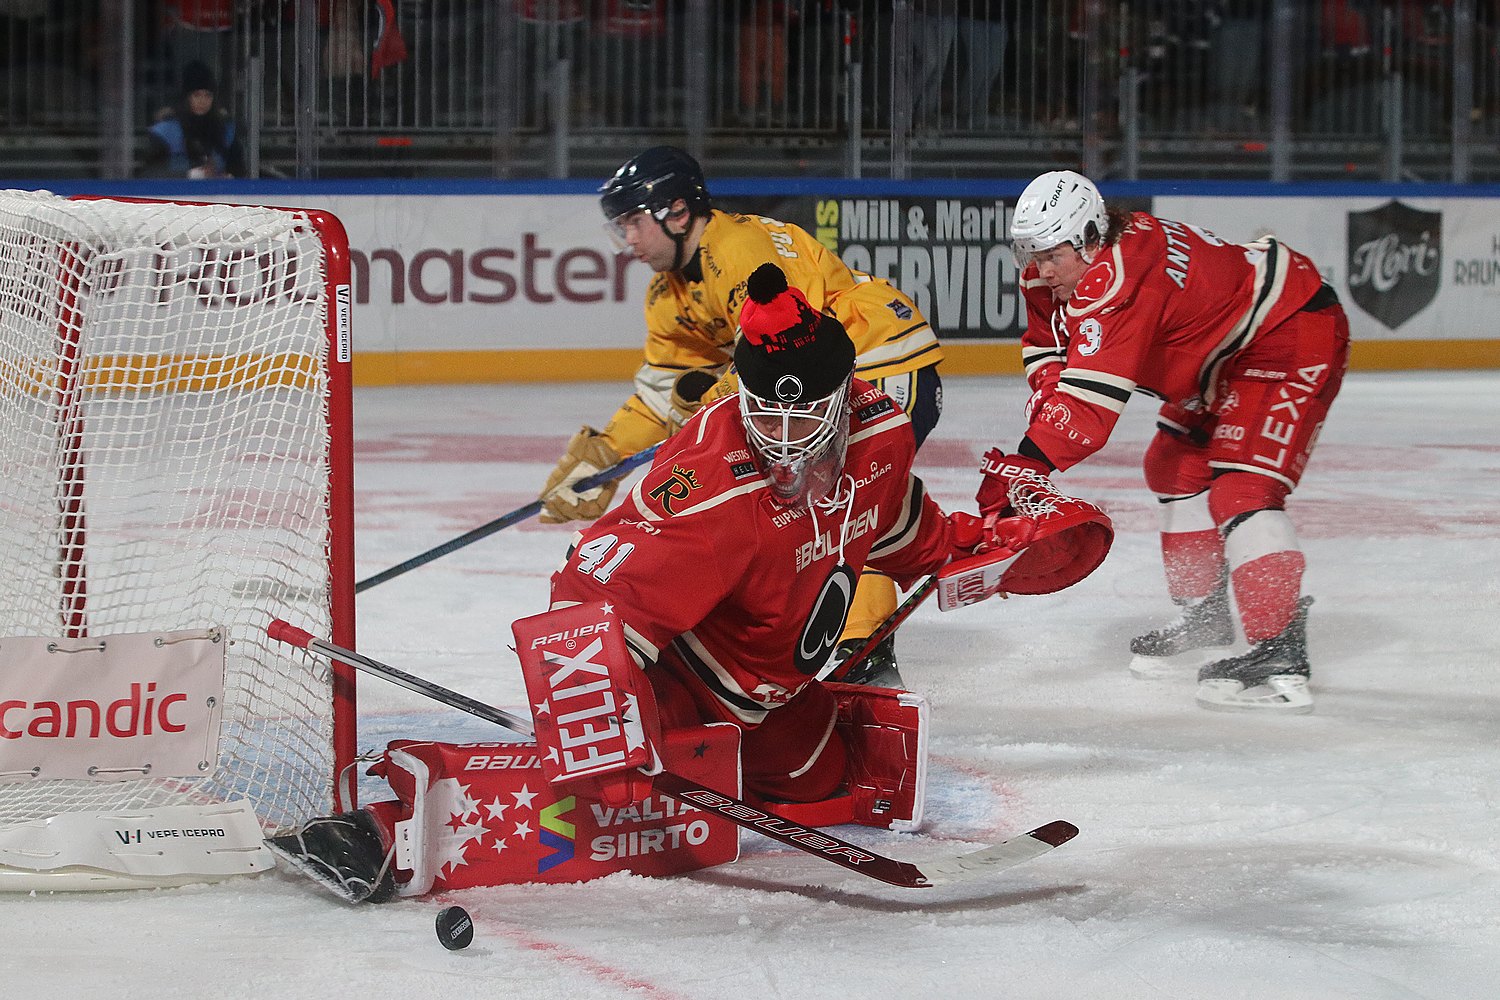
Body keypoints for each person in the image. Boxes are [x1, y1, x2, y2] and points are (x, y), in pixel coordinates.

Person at [269, 265, 1061, 900]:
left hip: (783, 697)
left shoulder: (882, 430)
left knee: (834, 788)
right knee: (598, 809)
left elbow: (898, 526)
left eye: (806, 414)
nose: (785, 438)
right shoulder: (708, 484)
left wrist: (975, 548)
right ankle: (387, 826)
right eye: (767, 413)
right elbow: (588, 597)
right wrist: (609, 717)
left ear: (846, 394)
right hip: (681, 690)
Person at [538, 145, 944, 686]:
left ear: (677, 213)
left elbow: (789, 352)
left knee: (835, 498)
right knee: (790, 503)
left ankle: (861, 656)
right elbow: (664, 395)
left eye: (634, 222)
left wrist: (702, 424)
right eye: (622, 227)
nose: (628, 240)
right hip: (812, 391)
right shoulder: (667, 294)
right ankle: (825, 640)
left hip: (878, 358)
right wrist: (605, 453)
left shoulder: (742, 250)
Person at [979, 170, 1349, 714]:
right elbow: (1046, 349)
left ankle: (1279, 649)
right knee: (1172, 467)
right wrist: (1030, 452)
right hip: (1221, 355)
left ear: (1087, 238)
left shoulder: (1120, 279)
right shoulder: (1056, 271)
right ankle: (1207, 614)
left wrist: (1023, 464)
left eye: (1052, 254)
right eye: (1028, 253)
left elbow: (1089, 407)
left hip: (1286, 334)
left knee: (1243, 491)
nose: (1040, 269)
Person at [144, 60, 246, 179]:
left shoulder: (226, 131)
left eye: (207, 95)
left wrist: (228, 176)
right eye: (197, 95)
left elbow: (239, 170)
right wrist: (192, 175)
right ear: (186, 97)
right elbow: (150, 174)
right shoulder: (165, 133)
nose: (202, 101)